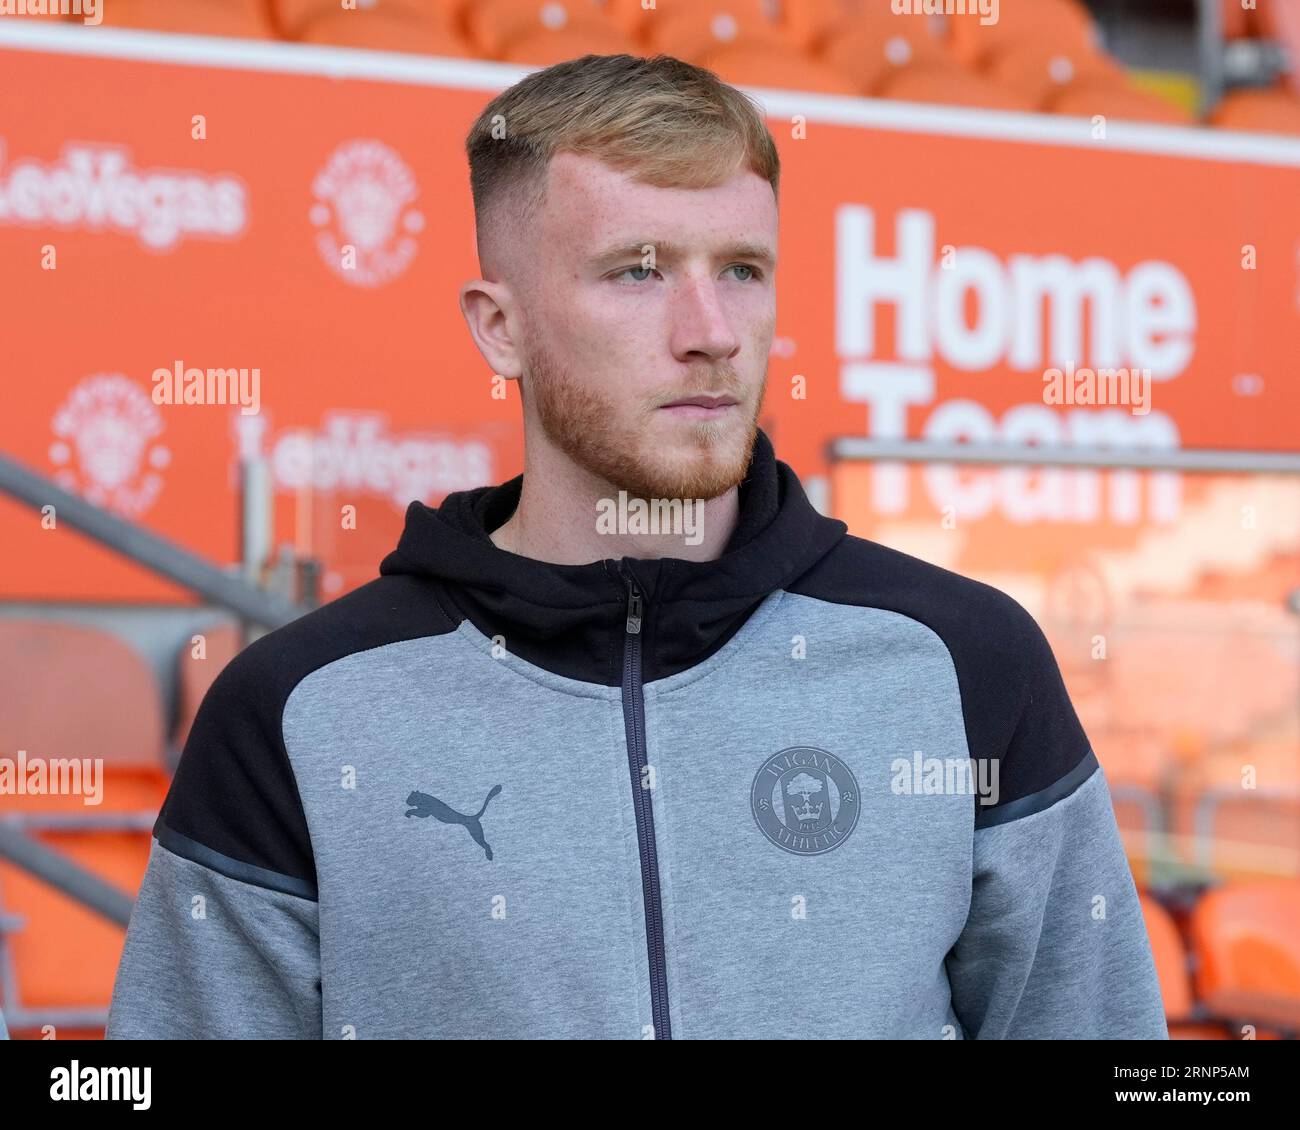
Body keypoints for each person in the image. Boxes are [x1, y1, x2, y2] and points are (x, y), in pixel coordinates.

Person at [107, 53, 1167, 1040]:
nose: (710, 328)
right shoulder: (296, 710)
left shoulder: (964, 660)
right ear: (497, 326)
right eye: (638, 272)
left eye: (743, 269)